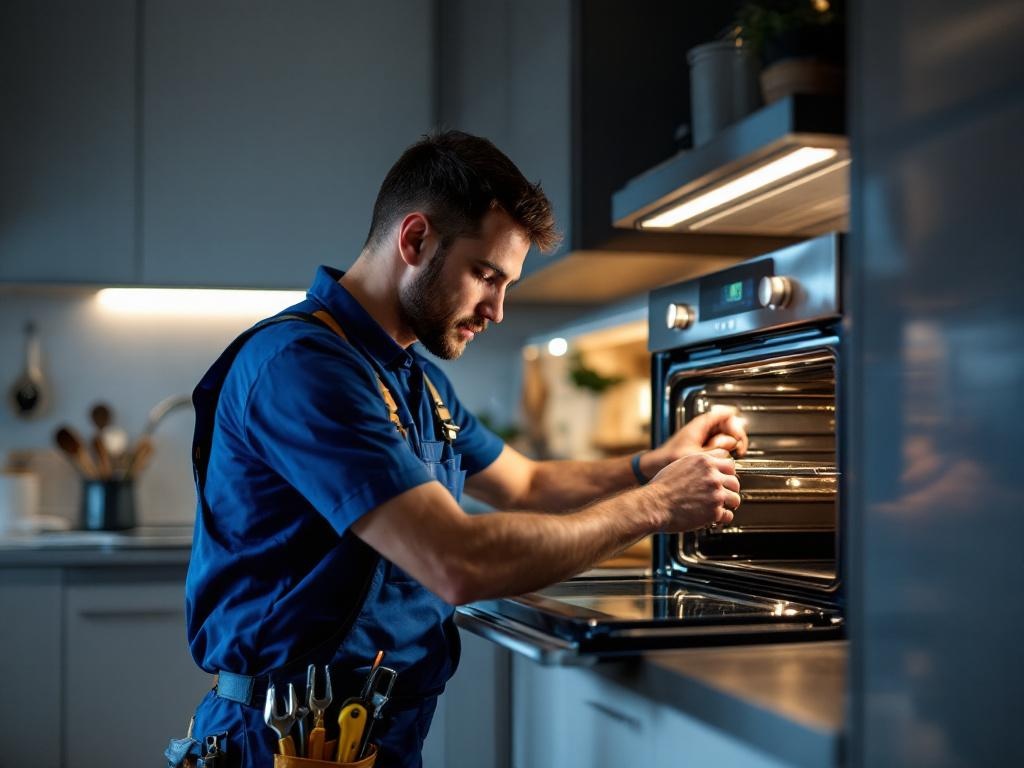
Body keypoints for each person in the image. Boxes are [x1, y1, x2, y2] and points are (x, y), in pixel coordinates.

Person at [181, 130, 747, 768]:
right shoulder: (303, 368)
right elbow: (456, 563)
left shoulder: (413, 380)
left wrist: (653, 464)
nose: (498, 309)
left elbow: (526, 484)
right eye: (486, 275)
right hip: (281, 744)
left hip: (370, 741)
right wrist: (654, 507)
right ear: (416, 240)